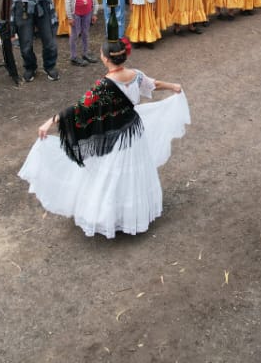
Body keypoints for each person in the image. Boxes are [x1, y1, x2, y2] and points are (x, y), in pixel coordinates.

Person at [18, 39, 189, 238]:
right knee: (132, 173)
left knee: (110, 175)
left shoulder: (103, 85)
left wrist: (51, 121)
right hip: (134, 132)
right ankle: (132, 214)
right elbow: (154, 84)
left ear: (106, 59)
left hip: (113, 137)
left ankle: (109, 216)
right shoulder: (135, 75)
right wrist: (174, 86)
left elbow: (80, 109)